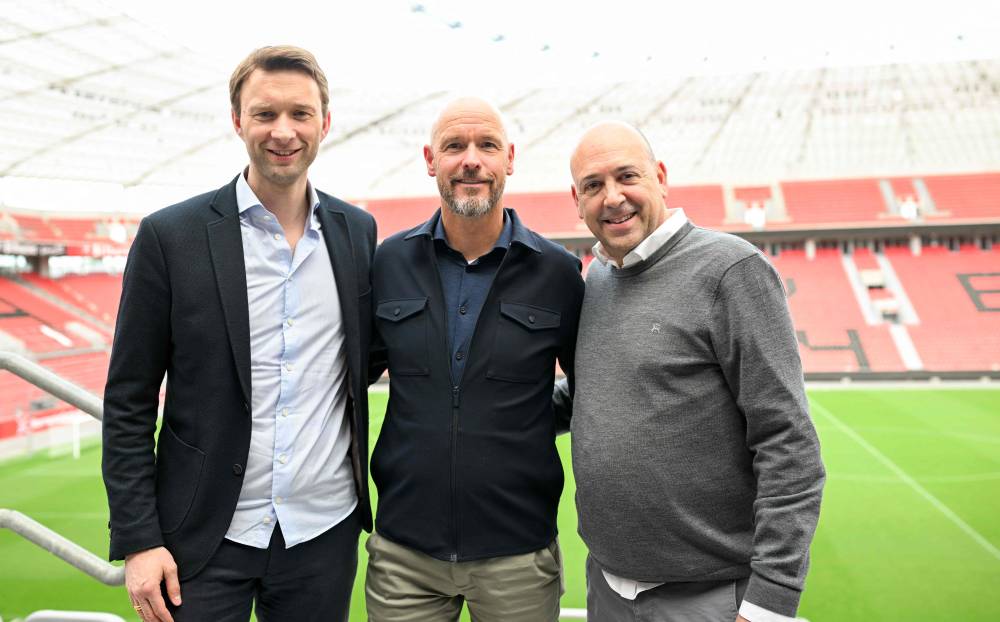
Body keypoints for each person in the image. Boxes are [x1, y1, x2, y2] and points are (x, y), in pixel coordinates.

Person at [101, 46, 376, 622]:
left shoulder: (358, 233)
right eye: (264, 113)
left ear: (325, 123)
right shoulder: (170, 236)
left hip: (322, 534)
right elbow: (127, 400)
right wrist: (137, 538)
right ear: (237, 121)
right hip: (200, 536)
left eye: (300, 114)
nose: (283, 131)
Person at [560, 121, 825, 622]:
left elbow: (787, 441)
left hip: (711, 597)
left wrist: (771, 600)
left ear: (660, 176)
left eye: (627, 177)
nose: (612, 197)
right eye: (593, 186)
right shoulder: (596, 279)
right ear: (577, 199)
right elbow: (588, 396)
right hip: (608, 590)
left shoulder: (730, 270)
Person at [365, 97, 584, 621]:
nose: (471, 160)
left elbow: (591, 388)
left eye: (486, 145)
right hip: (404, 555)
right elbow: (348, 378)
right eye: (454, 146)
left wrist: (518, 416)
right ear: (429, 159)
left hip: (518, 553)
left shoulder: (558, 273)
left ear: (509, 158)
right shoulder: (387, 262)